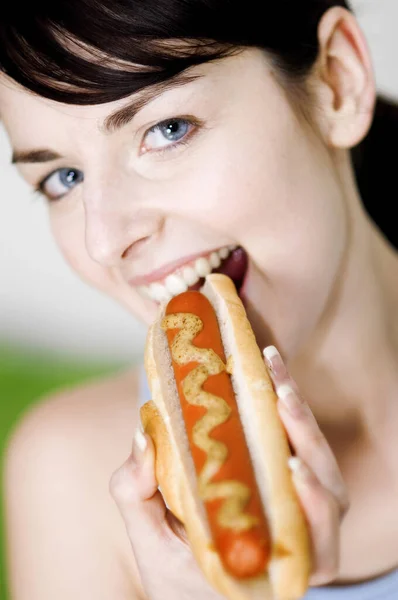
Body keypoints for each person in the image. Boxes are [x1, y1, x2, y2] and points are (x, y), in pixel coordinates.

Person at [1, 1, 398, 598]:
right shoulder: (67, 476)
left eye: (166, 130)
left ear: (337, 81)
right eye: (64, 178)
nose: (105, 240)